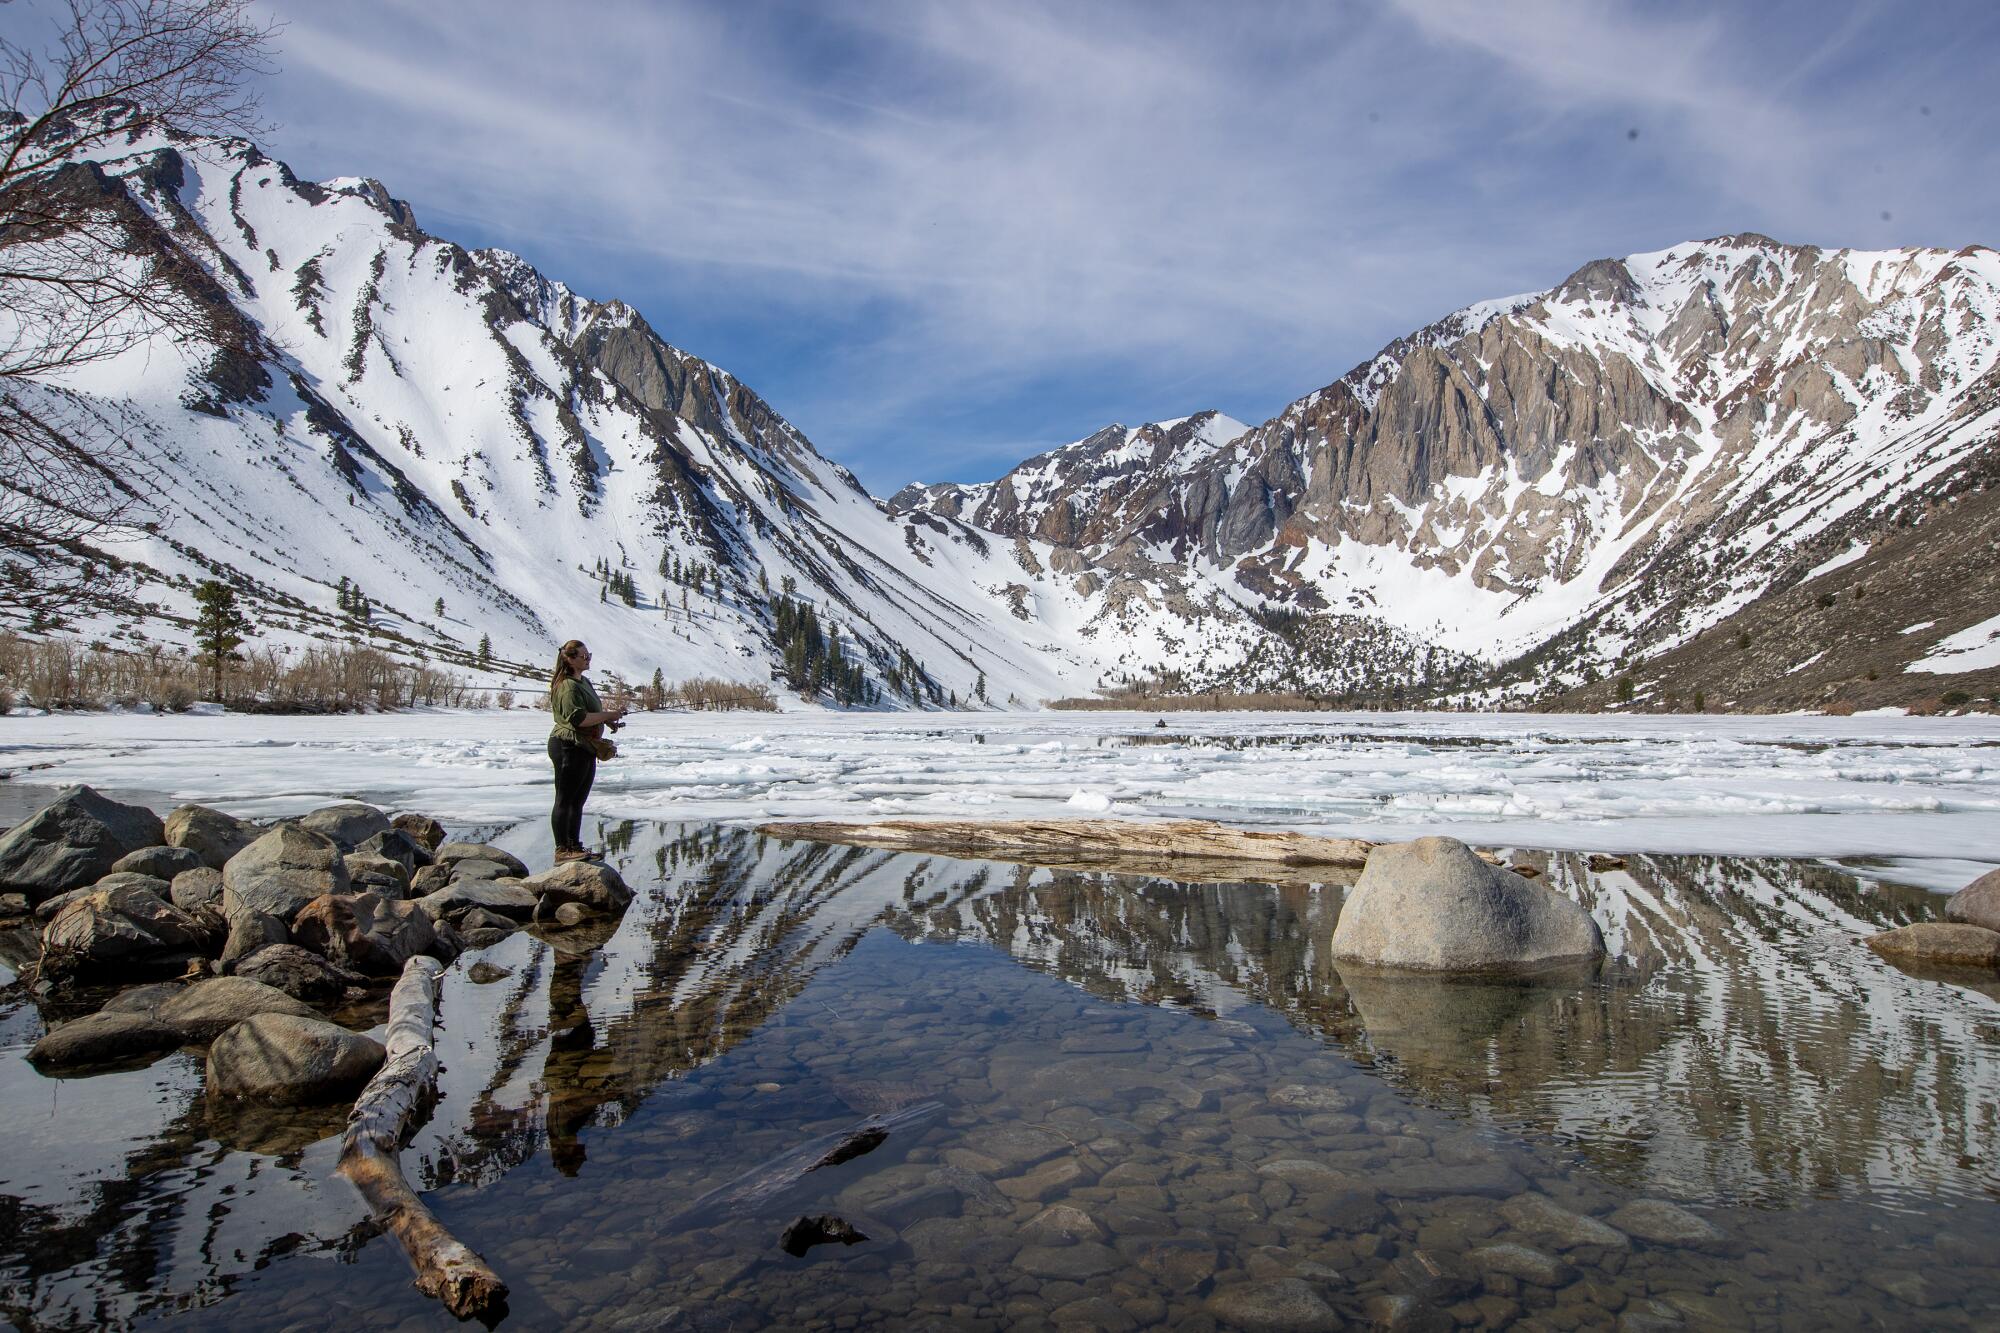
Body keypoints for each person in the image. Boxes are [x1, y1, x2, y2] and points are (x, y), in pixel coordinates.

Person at [548, 640, 625, 863]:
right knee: (565, 799)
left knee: (578, 800)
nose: (587, 659)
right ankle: (562, 850)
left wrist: (609, 722)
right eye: (583, 656)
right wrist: (608, 716)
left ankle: (574, 846)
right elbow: (579, 718)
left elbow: (592, 712)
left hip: (584, 746)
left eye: (588, 655)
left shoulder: (583, 682)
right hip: (567, 746)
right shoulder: (567, 686)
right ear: (570, 659)